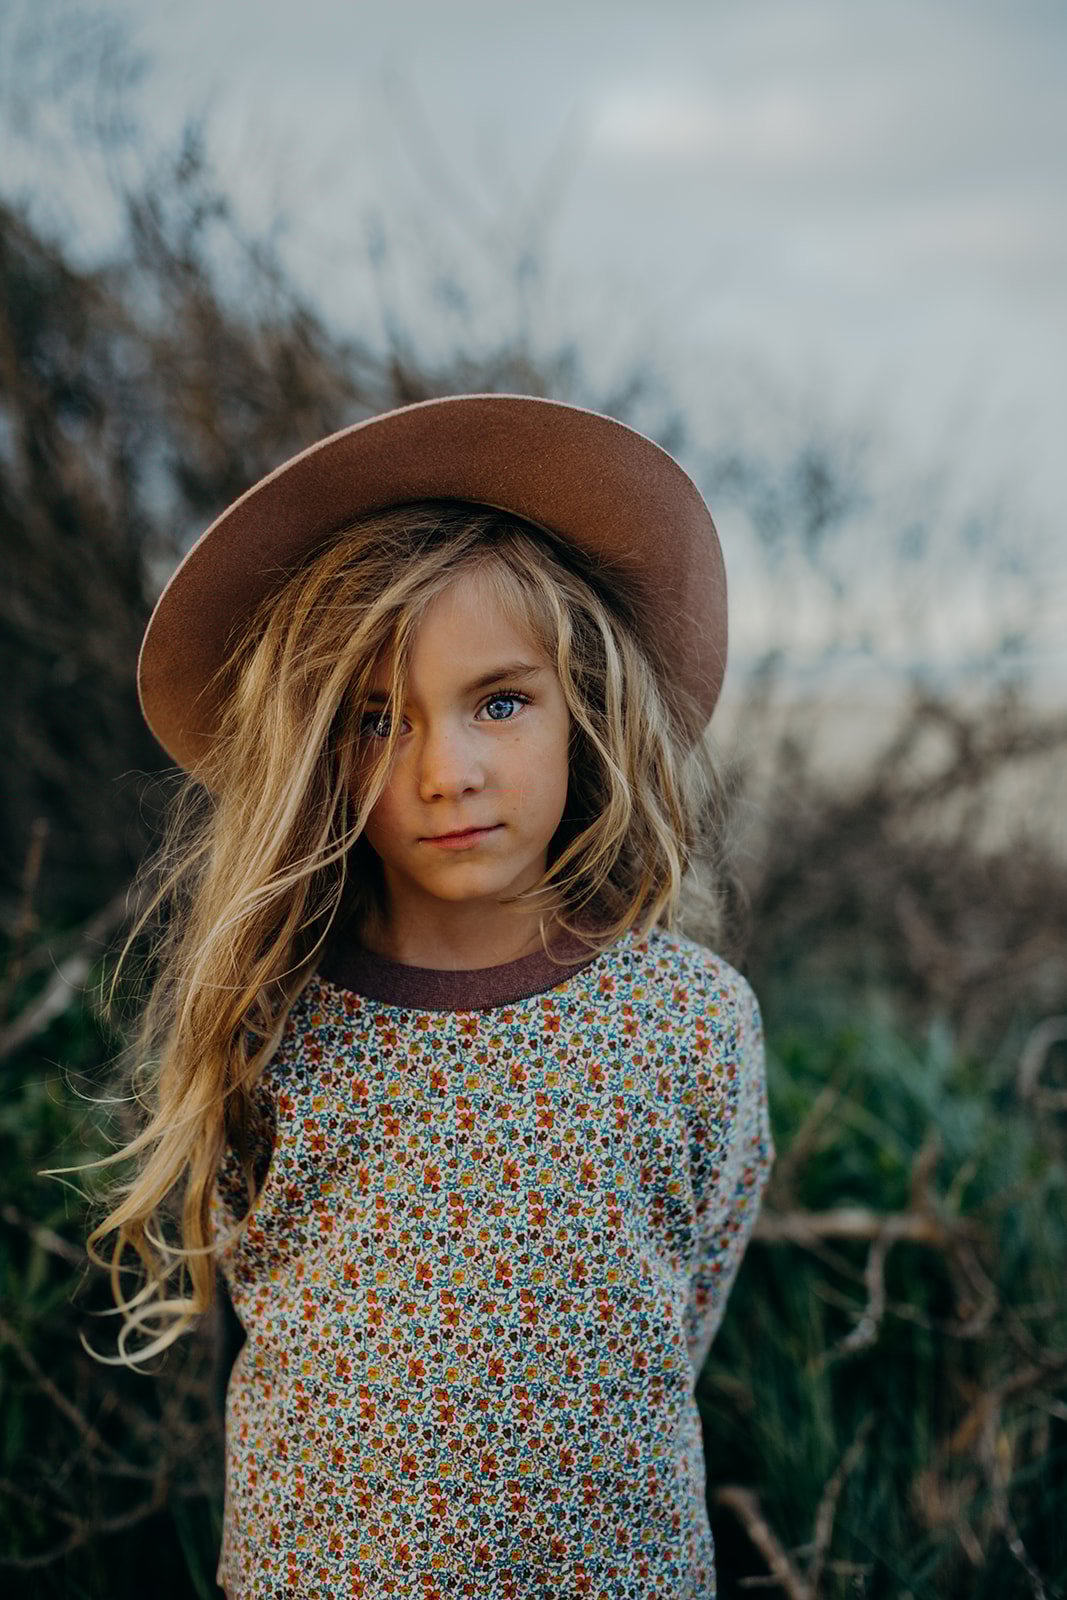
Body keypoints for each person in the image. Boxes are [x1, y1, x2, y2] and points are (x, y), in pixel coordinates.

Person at [81, 394, 774, 1599]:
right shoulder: (270, 1020)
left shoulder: (690, 1021)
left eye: (498, 701)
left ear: (585, 712)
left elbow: (688, 1293)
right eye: (373, 720)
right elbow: (257, 1270)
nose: (445, 771)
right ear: (310, 750)